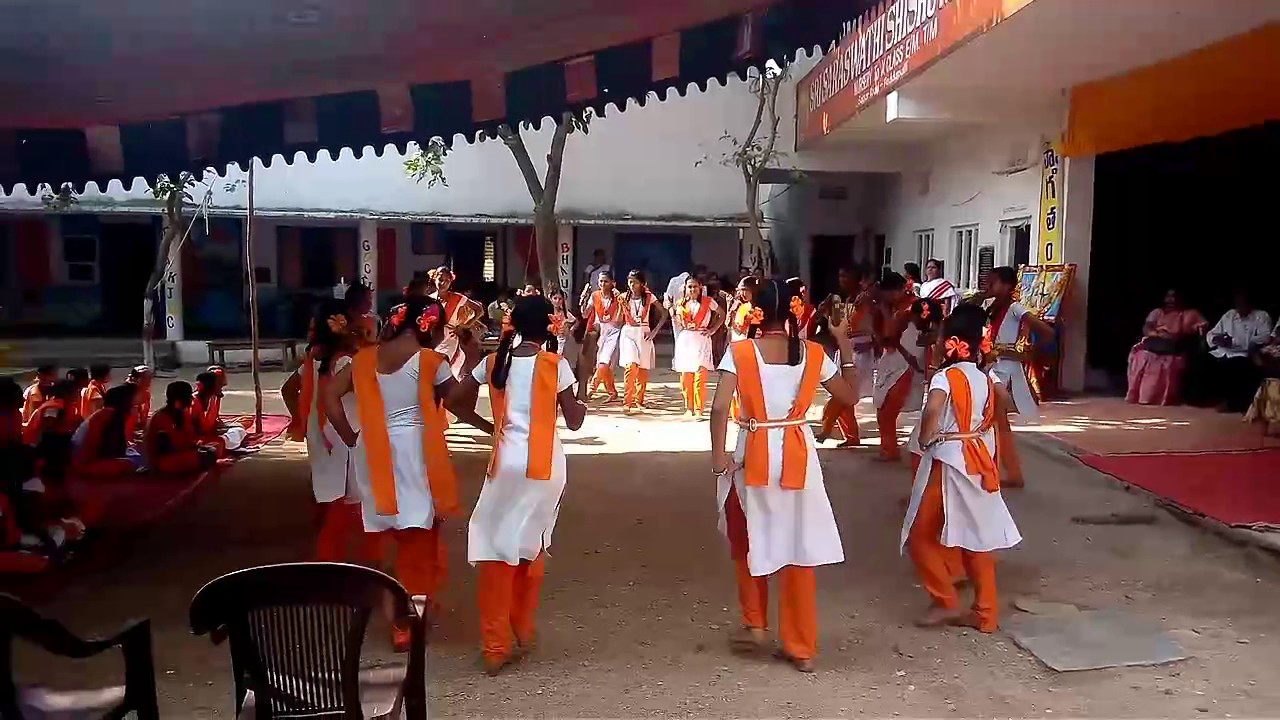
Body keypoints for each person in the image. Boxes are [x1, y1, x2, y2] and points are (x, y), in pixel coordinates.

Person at [322, 296, 494, 650]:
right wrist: (474, 358)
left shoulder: (364, 359)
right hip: (414, 452)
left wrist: (351, 437)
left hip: (372, 451)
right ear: (428, 325)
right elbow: (458, 400)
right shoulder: (431, 362)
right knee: (417, 535)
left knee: (385, 534)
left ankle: (396, 617)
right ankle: (410, 616)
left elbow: (329, 397)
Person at [709, 279, 859, 673]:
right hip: (797, 452)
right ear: (793, 310)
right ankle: (801, 647)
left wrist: (718, 456)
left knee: (745, 533)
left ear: (754, 311)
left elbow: (720, 407)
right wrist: (843, 344)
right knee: (798, 546)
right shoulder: (813, 353)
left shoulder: (740, 352)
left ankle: (755, 622)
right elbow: (849, 396)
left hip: (753, 449)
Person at [460, 295, 586, 675]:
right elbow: (576, 421)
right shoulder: (555, 364)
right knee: (531, 543)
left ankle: (496, 645)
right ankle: (523, 631)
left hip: (504, 464)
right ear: (549, 325)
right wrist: (583, 386)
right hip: (546, 466)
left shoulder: (495, 362)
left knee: (495, 547)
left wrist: (490, 428)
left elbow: (455, 399)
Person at [901, 304, 1021, 632]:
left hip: (950, 459)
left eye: (941, 337)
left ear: (953, 341)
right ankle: (985, 613)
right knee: (977, 538)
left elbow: (933, 409)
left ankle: (946, 601)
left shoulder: (946, 376)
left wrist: (927, 437)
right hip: (979, 458)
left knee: (920, 535)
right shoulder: (985, 377)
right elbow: (1005, 406)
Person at [282, 299, 373, 563]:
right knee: (342, 507)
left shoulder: (315, 357)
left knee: (328, 500)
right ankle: (332, 564)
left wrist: (304, 421)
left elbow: (288, 390)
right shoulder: (346, 362)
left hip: (320, 434)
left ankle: (331, 558)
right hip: (344, 437)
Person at [975, 267, 1054, 488]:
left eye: (994, 283)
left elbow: (1046, 331)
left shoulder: (1015, 308)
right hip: (992, 367)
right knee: (996, 423)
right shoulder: (991, 308)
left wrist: (1027, 351)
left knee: (995, 422)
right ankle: (1008, 472)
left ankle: (999, 471)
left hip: (1005, 371)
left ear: (1008, 286)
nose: (989, 287)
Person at [816, 267, 874, 447]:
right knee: (842, 394)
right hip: (845, 349)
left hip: (861, 352)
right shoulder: (841, 300)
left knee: (845, 394)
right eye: (840, 275)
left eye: (846, 275)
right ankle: (850, 436)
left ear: (856, 279)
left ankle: (827, 425)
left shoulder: (865, 300)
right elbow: (824, 321)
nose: (842, 279)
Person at [872, 273, 926, 462]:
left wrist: (885, 313)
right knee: (882, 406)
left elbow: (890, 335)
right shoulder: (896, 307)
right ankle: (888, 448)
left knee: (888, 408)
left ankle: (890, 450)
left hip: (907, 363)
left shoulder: (914, 307)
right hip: (895, 360)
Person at [1126, 289, 1209, 406]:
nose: (1172, 300)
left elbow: (1201, 329)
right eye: (1169, 297)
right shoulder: (1157, 312)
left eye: (1175, 297)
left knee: (1170, 361)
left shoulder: (1190, 314)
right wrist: (1157, 335)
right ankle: (1143, 396)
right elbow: (1147, 328)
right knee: (1143, 356)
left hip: (1176, 346)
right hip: (1155, 342)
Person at [1203, 289, 1271, 413]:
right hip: (1223, 351)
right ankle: (1204, 400)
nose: (1240, 306)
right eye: (1238, 303)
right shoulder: (1230, 314)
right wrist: (1216, 339)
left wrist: (1235, 342)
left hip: (1245, 354)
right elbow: (1212, 333)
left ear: (1250, 303)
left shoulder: (1261, 316)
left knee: (1236, 365)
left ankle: (1233, 404)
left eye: (1243, 303)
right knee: (1202, 360)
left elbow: (1265, 337)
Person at [672, 275, 724, 418]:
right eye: (690, 287)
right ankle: (689, 407)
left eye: (695, 286)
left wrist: (712, 330)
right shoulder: (681, 304)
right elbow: (677, 320)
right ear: (685, 288)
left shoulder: (708, 302)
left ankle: (699, 408)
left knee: (700, 374)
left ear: (700, 287)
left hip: (702, 338)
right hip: (686, 339)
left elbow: (722, 314)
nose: (692, 289)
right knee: (685, 375)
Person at [619, 270, 668, 413]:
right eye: (629, 282)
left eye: (634, 282)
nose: (631, 285)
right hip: (628, 332)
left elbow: (664, 313)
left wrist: (655, 331)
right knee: (631, 366)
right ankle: (627, 402)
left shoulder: (649, 297)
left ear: (642, 284)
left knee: (642, 369)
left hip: (644, 333)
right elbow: (616, 317)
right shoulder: (623, 297)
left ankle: (638, 400)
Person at [145, 381, 218, 475]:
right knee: (205, 456)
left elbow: (189, 437)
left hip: (180, 454)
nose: (191, 399)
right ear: (179, 400)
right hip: (164, 461)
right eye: (188, 397)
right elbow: (167, 449)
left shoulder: (182, 413)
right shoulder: (161, 418)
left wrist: (197, 446)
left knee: (212, 450)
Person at [70, 384, 142, 480]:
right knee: (129, 463)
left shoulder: (108, 413)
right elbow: (110, 450)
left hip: (86, 459)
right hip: (85, 464)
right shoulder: (111, 415)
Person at [430, 266, 486, 380]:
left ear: (451, 282)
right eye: (440, 279)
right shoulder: (429, 299)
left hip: (450, 340)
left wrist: (465, 325)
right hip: (433, 340)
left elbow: (479, 310)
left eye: (447, 281)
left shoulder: (458, 298)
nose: (443, 283)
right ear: (434, 278)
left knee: (449, 373)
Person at [583, 270, 624, 402]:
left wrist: (621, 300)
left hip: (614, 331)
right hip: (601, 331)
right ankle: (612, 392)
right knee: (602, 363)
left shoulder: (619, 297)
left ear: (613, 283)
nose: (602, 284)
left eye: (606, 281)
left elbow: (619, 319)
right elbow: (585, 314)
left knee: (604, 361)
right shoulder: (595, 295)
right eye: (600, 281)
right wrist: (583, 301)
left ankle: (591, 389)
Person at [549, 289, 579, 371]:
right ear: (551, 298)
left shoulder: (565, 314)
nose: (557, 301)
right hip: (550, 342)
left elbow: (575, 322)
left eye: (560, 299)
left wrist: (571, 330)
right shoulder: (547, 312)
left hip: (563, 343)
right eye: (555, 298)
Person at [125, 366, 154, 440]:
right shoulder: (126, 396)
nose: (148, 382)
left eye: (149, 379)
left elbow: (145, 413)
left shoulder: (146, 394)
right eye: (145, 379)